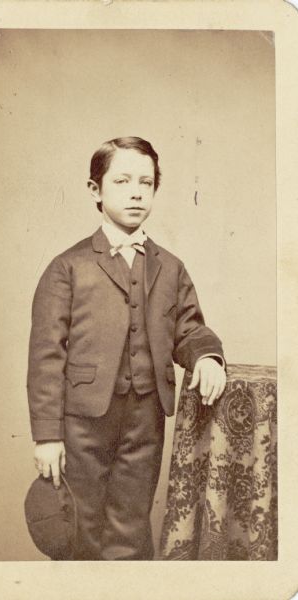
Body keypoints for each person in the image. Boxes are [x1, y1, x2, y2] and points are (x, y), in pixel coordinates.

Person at [27, 136, 226, 560]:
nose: (136, 192)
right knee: (79, 528)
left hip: (145, 418)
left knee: (132, 527)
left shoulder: (169, 268)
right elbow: (45, 355)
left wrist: (207, 356)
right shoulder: (68, 267)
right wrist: (47, 435)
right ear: (95, 190)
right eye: (122, 181)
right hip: (81, 423)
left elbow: (189, 329)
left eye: (146, 182)